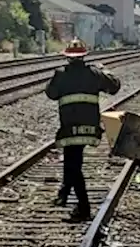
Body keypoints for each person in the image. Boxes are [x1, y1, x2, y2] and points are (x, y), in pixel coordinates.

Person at [45, 38, 121, 223]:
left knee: (73, 165)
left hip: (69, 127)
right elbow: (115, 87)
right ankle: (63, 195)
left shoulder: (61, 74)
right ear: (85, 56)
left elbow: (51, 93)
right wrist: (104, 70)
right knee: (73, 160)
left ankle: (83, 207)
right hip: (89, 127)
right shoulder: (95, 73)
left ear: (67, 57)